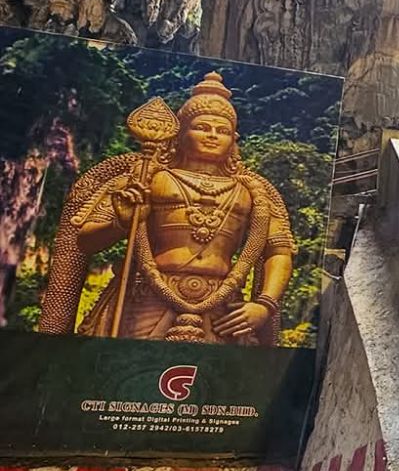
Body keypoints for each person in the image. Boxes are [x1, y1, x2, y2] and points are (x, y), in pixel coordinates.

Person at [40, 71, 295, 343]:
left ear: (234, 139)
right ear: (180, 134)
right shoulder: (143, 179)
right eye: (202, 127)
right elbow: (85, 241)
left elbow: (278, 250)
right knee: (131, 365)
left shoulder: (253, 191)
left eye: (222, 131)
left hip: (223, 306)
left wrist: (264, 304)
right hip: (147, 298)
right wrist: (121, 223)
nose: (212, 135)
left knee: (215, 370)